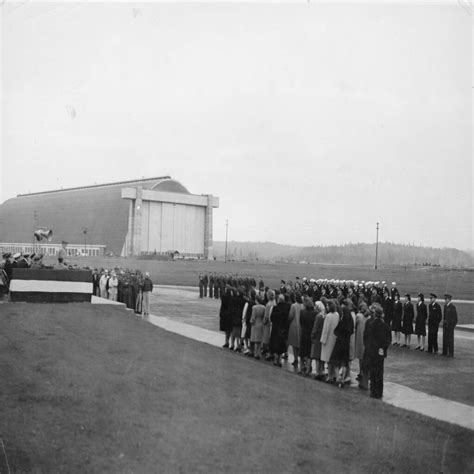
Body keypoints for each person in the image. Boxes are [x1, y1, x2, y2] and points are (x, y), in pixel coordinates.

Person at [363, 303, 391, 399]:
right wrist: (382, 348)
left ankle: (373, 391)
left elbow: (367, 338)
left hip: (372, 351)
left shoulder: (371, 325)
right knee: (380, 373)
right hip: (380, 352)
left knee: (373, 373)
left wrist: (370, 347)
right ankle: (379, 391)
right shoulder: (385, 326)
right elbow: (388, 340)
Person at [330, 299, 354, 388]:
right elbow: (351, 331)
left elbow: (336, 331)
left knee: (335, 361)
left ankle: (338, 378)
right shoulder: (350, 322)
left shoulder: (342, 321)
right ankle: (342, 379)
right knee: (344, 362)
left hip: (339, 342)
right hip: (346, 343)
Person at [320, 299, 340, 383]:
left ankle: (329, 376)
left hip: (328, 339)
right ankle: (333, 375)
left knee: (328, 359)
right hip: (334, 338)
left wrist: (323, 340)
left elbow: (325, 329)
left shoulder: (328, 316)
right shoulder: (337, 314)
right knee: (332, 359)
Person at [269, 294, 291, 367]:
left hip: (276, 328)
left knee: (275, 344)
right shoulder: (287, 308)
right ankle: (280, 360)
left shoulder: (276, 308)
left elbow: (272, 318)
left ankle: (275, 360)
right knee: (281, 345)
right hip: (283, 329)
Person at [299, 297, 316, 375]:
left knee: (302, 352)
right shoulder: (315, 313)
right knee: (309, 353)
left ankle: (301, 367)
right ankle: (308, 369)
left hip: (304, 333)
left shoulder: (302, 312)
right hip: (311, 334)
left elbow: (301, 322)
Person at [355, 302, 370, 390]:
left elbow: (355, 326)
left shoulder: (359, 316)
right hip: (366, 338)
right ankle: (364, 373)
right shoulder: (368, 317)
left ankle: (361, 372)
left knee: (361, 357)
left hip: (360, 338)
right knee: (365, 357)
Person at [287, 292, 304, 369]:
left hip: (294, 324)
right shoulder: (303, 306)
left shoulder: (293, 306)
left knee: (294, 343)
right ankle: (300, 359)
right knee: (299, 343)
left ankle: (296, 358)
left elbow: (290, 316)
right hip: (301, 325)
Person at [310, 301, 326, 380]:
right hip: (322, 336)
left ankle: (317, 371)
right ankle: (321, 371)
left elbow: (315, 328)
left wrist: (312, 335)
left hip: (317, 337)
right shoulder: (324, 315)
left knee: (316, 355)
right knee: (321, 356)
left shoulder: (318, 316)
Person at [262, 290, 276, 358]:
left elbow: (266, 316)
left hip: (267, 323)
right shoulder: (275, 303)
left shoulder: (268, 304)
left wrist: (263, 322)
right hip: (273, 322)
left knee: (266, 337)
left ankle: (267, 351)